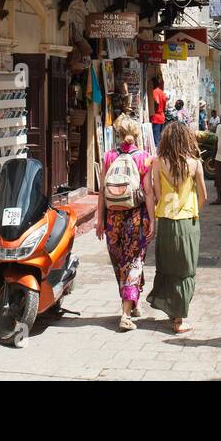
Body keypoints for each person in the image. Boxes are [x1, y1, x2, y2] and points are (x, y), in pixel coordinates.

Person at [145, 121, 207, 334]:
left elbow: (157, 193)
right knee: (185, 270)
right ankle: (179, 320)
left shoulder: (157, 162)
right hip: (188, 222)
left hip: (166, 221)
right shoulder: (195, 163)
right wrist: (193, 210)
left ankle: (173, 311)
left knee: (168, 268)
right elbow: (204, 195)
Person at [95, 114, 154, 331]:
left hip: (112, 219)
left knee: (121, 264)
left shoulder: (108, 156)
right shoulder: (145, 158)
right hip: (136, 218)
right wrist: (153, 220)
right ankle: (126, 314)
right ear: (137, 135)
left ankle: (132, 302)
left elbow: (102, 190)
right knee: (134, 262)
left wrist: (99, 219)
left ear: (118, 135)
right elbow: (148, 193)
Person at [150, 75, 168, 144]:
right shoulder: (162, 92)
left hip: (156, 117)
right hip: (162, 117)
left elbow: (157, 101)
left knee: (156, 139)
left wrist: (154, 108)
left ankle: (157, 153)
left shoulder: (155, 91)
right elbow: (165, 104)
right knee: (160, 138)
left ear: (153, 83)